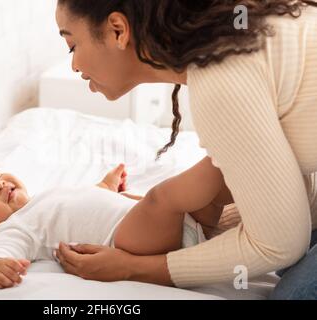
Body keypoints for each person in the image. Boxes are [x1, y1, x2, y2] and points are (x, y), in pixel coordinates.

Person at [54, 0, 317, 299]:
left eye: (72, 45)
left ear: (118, 30)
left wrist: (133, 268)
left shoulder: (220, 80)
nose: (74, 65)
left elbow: (280, 245)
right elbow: (298, 178)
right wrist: (206, 227)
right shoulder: (233, 41)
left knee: (294, 294)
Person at [0, 162, 229, 289]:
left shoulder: (46, 197)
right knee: (164, 197)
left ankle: (245, 168)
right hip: (130, 241)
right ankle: (218, 157)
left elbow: (85, 201)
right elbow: (1, 251)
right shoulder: (14, 227)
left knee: (216, 192)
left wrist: (106, 185)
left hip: (176, 228)